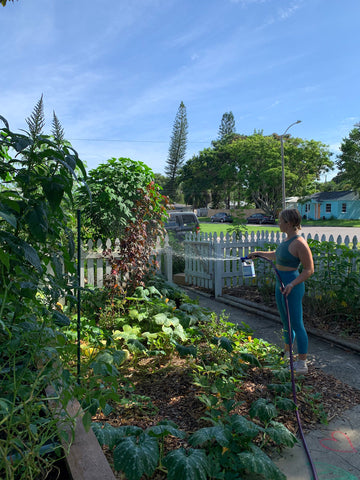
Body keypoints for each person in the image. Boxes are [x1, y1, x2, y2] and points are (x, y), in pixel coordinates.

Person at [248, 209, 314, 374]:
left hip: (292, 287)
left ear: (289, 223)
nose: (278, 223)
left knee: (297, 324)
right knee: (286, 323)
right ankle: (287, 353)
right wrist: (258, 254)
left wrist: (292, 284)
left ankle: (302, 362)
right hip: (281, 286)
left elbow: (309, 270)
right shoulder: (287, 240)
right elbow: (276, 255)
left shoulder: (300, 243)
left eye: (280, 221)